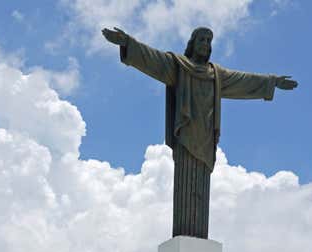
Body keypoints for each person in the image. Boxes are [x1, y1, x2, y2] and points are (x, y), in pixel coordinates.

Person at [102, 26, 298, 239]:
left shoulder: (217, 75)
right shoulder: (178, 65)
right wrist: (128, 43)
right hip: (185, 137)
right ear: (193, 43)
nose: (205, 44)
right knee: (185, 187)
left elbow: (243, 80)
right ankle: (184, 235)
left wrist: (272, 82)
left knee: (201, 191)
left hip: (205, 140)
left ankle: (197, 237)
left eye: (208, 40)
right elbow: (153, 59)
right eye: (202, 40)